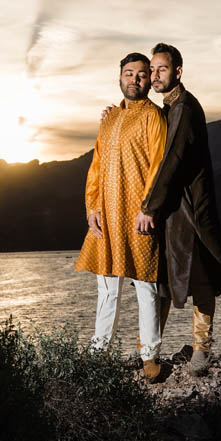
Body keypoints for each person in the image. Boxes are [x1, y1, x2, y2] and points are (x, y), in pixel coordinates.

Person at [134, 42, 221, 377]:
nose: (156, 75)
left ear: (178, 71)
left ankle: (202, 350)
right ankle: (148, 350)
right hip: (173, 211)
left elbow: (172, 161)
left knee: (200, 278)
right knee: (159, 279)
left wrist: (149, 207)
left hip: (191, 209)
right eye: (153, 70)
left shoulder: (184, 107)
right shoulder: (168, 108)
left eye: (162, 68)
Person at [75, 52, 168, 382]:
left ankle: (150, 356)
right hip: (107, 219)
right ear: (119, 78)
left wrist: (149, 208)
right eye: (129, 74)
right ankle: (98, 354)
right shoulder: (109, 118)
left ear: (148, 80)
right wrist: (92, 208)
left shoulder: (153, 117)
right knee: (108, 291)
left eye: (142, 74)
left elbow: (159, 166)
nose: (135, 79)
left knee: (146, 288)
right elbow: (97, 166)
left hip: (139, 217)